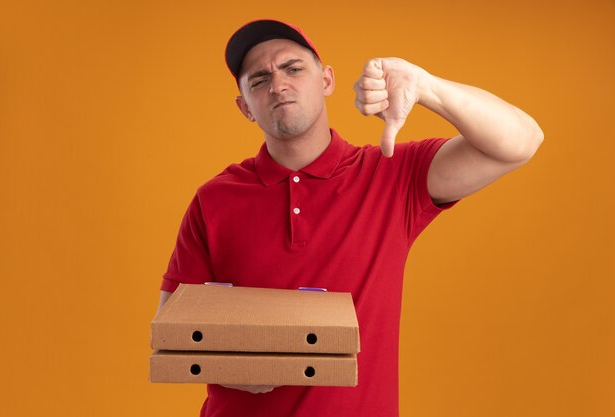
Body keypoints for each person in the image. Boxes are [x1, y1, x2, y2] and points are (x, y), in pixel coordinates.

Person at [155, 19, 543, 417]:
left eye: (293, 68)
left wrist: (426, 87)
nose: (277, 85)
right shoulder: (215, 198)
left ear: (326, 80)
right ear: (245, 108)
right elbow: (171, 330)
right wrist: (238, 366)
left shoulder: (392, 174)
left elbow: (520, 142)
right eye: (258, 80)